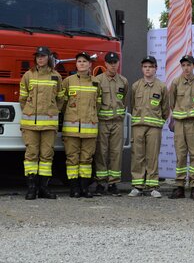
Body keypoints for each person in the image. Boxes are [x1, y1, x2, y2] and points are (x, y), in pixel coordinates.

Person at [19, 46, 64, 200]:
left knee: (46, 156)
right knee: (31, 155)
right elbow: (23, 99)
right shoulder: (28, 75)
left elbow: (60, 99)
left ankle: (44, 188)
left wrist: (52, 112)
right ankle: (32, 189)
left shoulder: (56, 76)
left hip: (49, 124)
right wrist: (29, 112)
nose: (40, 58)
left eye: (43, 56)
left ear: (49, 58)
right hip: (30, 124)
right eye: (38, 56)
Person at [128, 56, 169, 198]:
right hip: (138, 126)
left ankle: (152, 186)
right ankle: (137, 186)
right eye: (145, 67)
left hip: (154, 127)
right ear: (142, 69)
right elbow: (132, 104)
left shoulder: (162, 87)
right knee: (137, 156)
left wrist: (159, 121)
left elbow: (165, 109)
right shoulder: (135, 86)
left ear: (155, 68)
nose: (147, 69)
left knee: (152, 156)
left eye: (150, 67)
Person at [62, 52, 101, 198]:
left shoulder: (96, 82)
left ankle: (85, 188)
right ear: (76, 64)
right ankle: (74, 188)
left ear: (90, 64)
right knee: (72, 159)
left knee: (86, 159)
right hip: (71, 129)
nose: (82, 64)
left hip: (89, 129)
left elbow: (98, 104)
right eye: (79, 61)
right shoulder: (68, 81)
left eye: (85, 61)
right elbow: (63, 103)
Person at [168, 55, 194, 201]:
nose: (186, 68)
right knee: (180, 155)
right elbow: (172, 103)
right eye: (183, 65)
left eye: (189, 65)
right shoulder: (175, 82)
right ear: (181, 67)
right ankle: (179, 187)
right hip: (179, 124)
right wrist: (181, 114)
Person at [94, 52, 129, 197]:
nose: (113, 65)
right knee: (101, 152)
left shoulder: (123, 81)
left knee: (116, 153)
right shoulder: (98, 80)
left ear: (118, 63)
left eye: (115, 62)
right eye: (110, 62)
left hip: (117, 123)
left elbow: (125, 100)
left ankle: (113, 183)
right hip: (102, 122)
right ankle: (101, 183)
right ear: (105, 64)